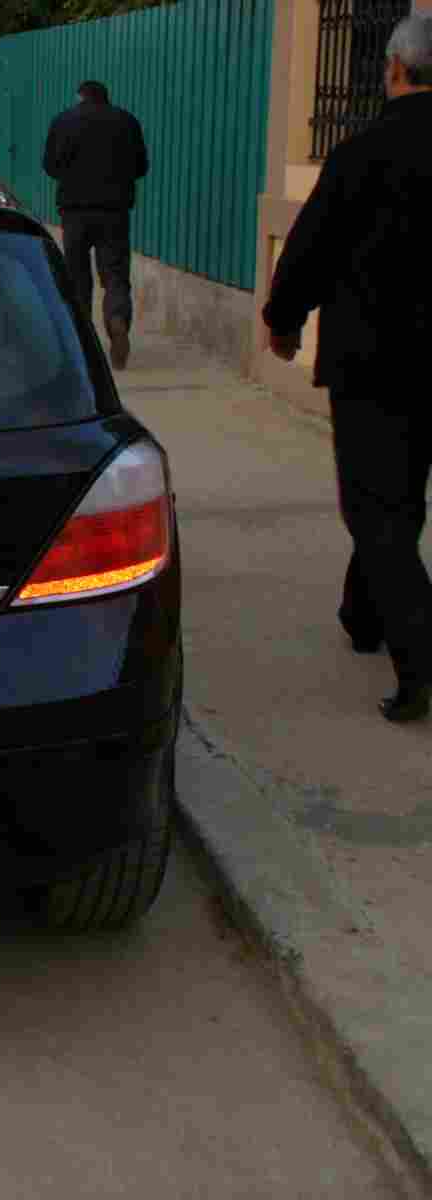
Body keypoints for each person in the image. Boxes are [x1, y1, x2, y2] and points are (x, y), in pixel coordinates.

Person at [262, 12, 432, 724]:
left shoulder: (361, 155)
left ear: (394, 68)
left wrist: (283, 321)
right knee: (397, 504)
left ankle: (417, 658)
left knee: (375, 507)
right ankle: (362, 615)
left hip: (373, 365)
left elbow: (312, 247)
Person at [41, 80, 148, 369]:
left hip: (75, 212)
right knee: (115, 274)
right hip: (114, 212)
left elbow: (50, 165)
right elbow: (141, 167)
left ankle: (83, 341)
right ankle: (117, 318)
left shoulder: (63, 121)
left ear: (80, 97)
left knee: (76, 276)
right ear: (106, 97)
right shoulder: (127, 121)